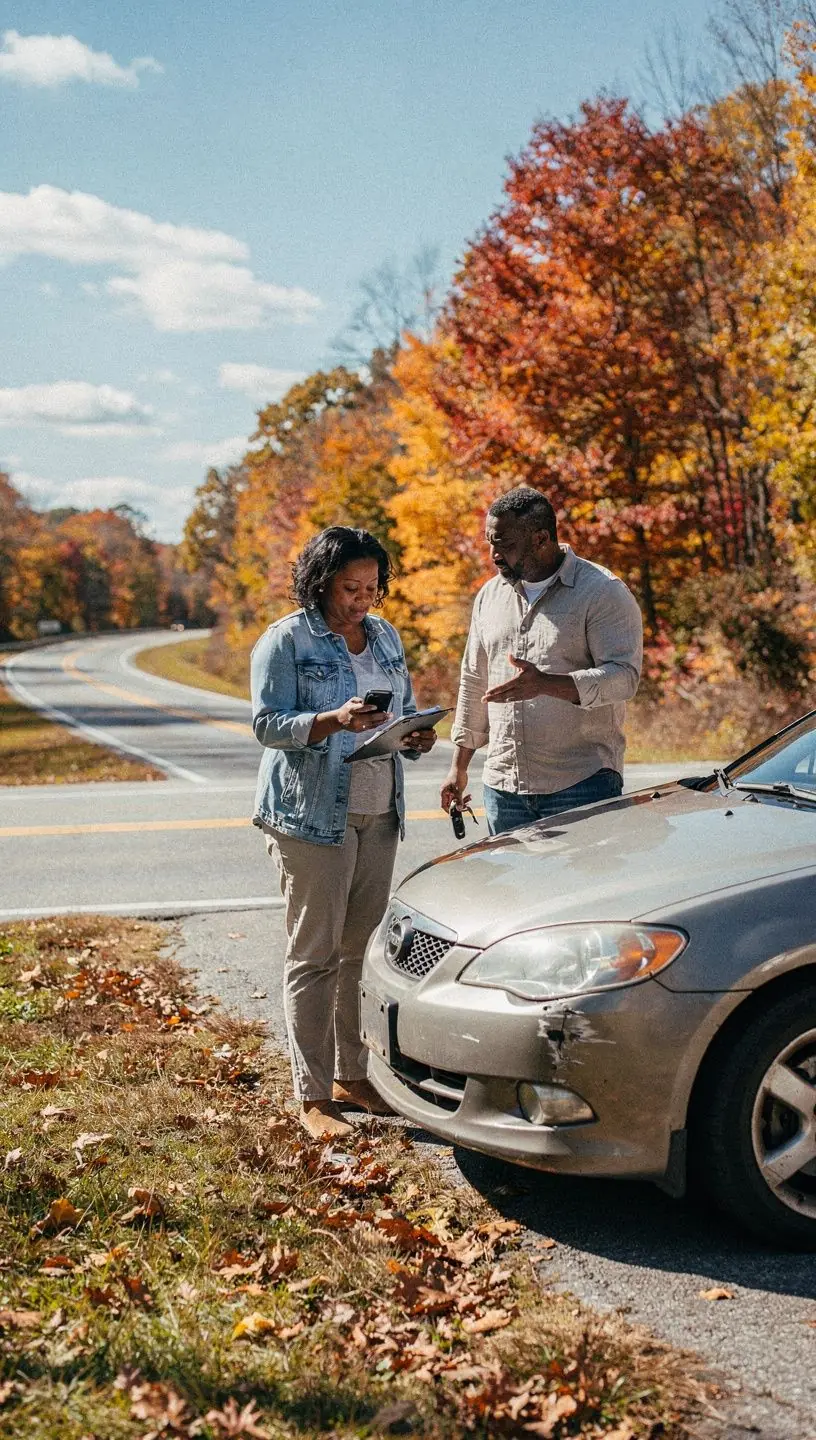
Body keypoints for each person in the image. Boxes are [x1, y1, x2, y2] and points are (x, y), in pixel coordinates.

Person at [251, 526, 436, 1139]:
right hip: (310, 815)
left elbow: (400, 708)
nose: (362, 600)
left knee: (358, 952)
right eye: (350, 587)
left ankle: (351, 1077)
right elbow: (267, 724)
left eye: (371, 588)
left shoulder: (384, 636)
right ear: (322, 581)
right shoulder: (285, 640)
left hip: (379, 809)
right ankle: (312, 1095)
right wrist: (331, 720)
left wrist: (415, 736)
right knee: (314, 955)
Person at [441, 486, 643, 835]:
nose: (494, 554)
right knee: (517, 892)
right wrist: (458, 767)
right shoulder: (489, 596)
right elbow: (474, 679)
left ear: (541, 539)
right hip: (503, 789)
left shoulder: (602, 592)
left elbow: (624, 677)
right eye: (491, 541)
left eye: (504, 544)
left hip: (582, 784)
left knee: (584, 891)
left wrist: (548, 685)